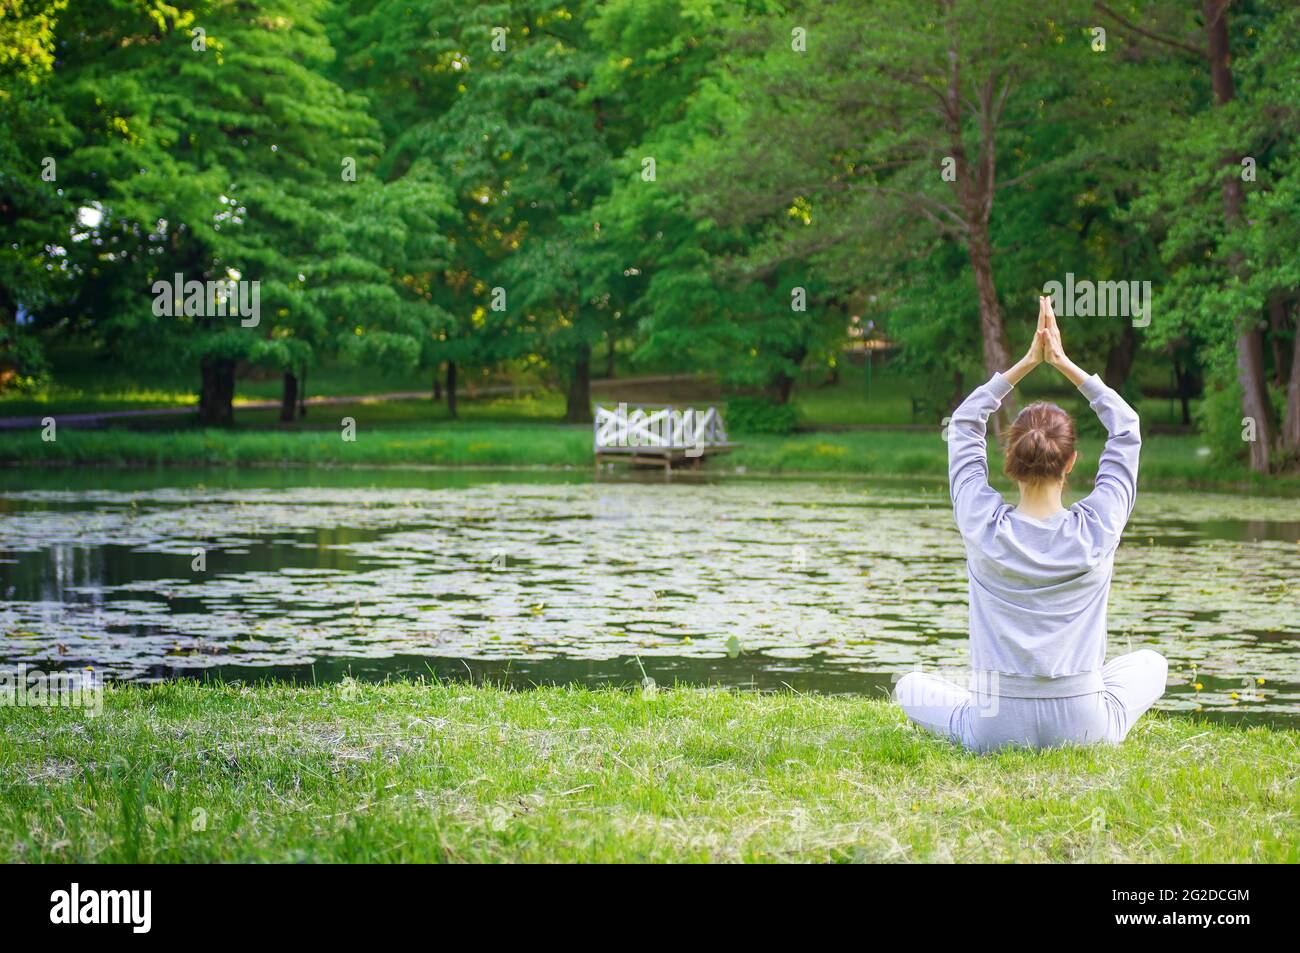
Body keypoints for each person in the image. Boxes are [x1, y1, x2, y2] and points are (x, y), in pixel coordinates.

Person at [895, 296, 1167, 752]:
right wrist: (1063, 364)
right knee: (1153, 664)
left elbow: (963, 424)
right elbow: (1126, 427)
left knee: (909, 686)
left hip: (995, 724)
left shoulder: (980, 523)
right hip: (1083, 723)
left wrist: (1021, 365)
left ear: (1009, 462)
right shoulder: (1098, 527)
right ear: (1073, 462)